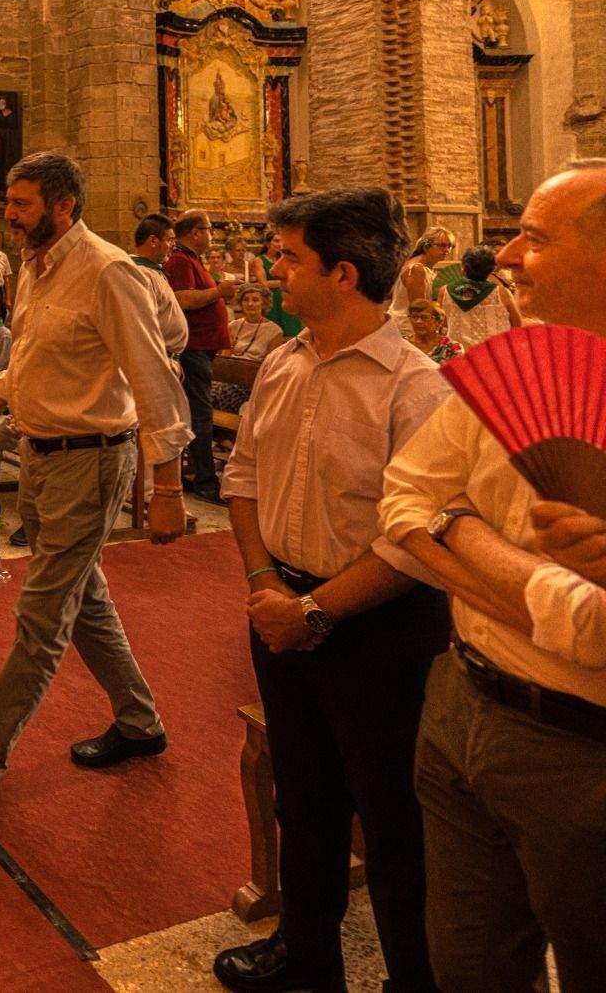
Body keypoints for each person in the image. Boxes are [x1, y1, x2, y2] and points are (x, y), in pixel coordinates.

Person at [213, 187, 452, 993]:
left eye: (287, 258)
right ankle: (308, 955)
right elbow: (242, 475)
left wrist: (314, 609)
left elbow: (416, 541)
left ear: (343, 273)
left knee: (393, 819)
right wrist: (263, 583)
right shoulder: (285, 360)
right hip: (278, 602)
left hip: (378, 625)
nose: (271, 271)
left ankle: (412, 978)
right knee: (304, 793)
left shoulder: (414, 388)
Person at [380, 159, 606, 993]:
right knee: (469, 965)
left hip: (580, 756)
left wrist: (456, 531)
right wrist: (528, 589)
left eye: (533, 239)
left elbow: (596, 633)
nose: (505, 256)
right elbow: (404, 499)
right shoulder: (516, 358)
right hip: (461, 702)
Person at [0, 150, 189, 815]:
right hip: (42, 454)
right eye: (9, 200)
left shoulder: (107, 271)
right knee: (83, 598)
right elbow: (31, 355)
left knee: (41, 615)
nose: (8, 213)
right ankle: (139, 720)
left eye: (22, 202)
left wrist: (169, 486)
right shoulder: (35, 268)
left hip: (91, 458)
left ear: (64, 205)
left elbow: (154, 377)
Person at [166, 210, 236, 504]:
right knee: (200, 416)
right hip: (193, 349)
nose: (211, 234)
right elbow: (183, 299)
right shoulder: (181, 260)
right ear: (195, 232)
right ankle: (206, 481)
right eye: (208, 229)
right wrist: (218, 291)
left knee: (196, 415)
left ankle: (196, 473)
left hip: (201, 349)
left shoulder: (190, 259)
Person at [209, 285, 284, 414]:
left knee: (217, 394)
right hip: (229, 377)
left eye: (255, 300)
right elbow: (225, 358)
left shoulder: (274, 331)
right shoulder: (233, 325)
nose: (250, 304)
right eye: (246, 300)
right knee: (206, 390)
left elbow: (269, 367)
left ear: (264, 303)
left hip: (251, 382)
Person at [438, 244, 520, 350]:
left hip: (459, 356)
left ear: (464, 267)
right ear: (491, 269)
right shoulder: (502, 293)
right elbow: (517, 327)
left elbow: (440, 325)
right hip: (495, 354)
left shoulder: (445, 291)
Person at [131, 213, 189, 358]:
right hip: (156, 357)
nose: (174, 246)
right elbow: (143, 324)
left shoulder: (153, 270)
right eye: (170, 240)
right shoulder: (141, 274)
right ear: (153, 241)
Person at [387, 226, 456, 333]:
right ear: (426, 247)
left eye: (450, 246)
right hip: (408, 327)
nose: (447, 250)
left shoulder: (424, 267)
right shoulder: (416, 269)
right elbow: (418, 308)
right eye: (442, 245)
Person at [252, 232, 302, 337]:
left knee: (292, 330)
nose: (279, 244)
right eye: (276, 241)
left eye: (281, 241)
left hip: (287, 296)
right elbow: (263, 284)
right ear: (267, 243)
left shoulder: (285, 258)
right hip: (272, 299)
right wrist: (284, 281)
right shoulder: (259, 260)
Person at [404, 298, 463, 364]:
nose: (418, 321)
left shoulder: (452, 348)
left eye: (425, 317)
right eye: (414, 317)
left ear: (439, 322)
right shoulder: (403, 344)